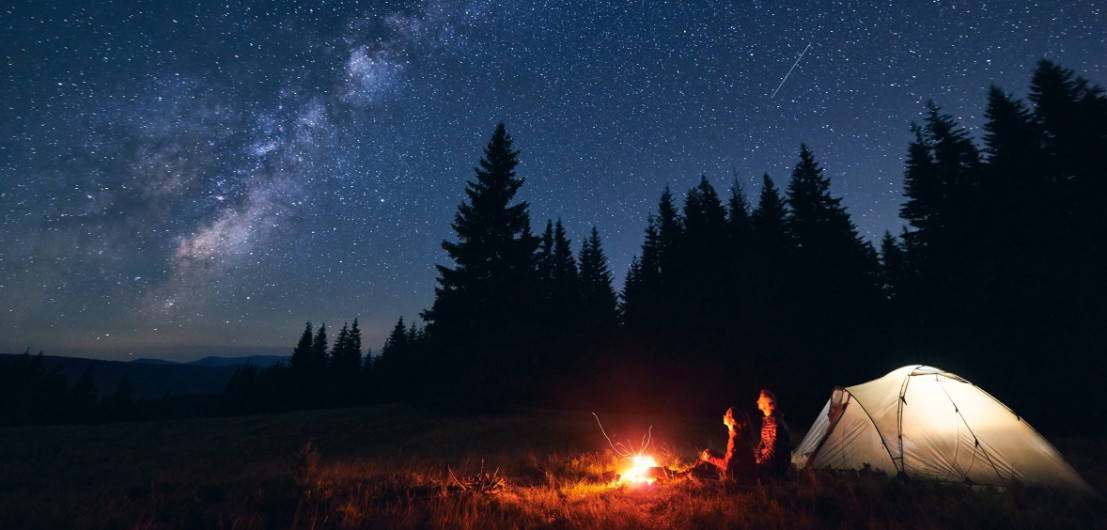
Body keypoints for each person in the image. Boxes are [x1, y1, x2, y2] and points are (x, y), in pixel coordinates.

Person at [754, 389, 791, 480]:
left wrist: (760, 462)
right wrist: (757, 455)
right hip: (767, 460)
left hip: (776, 465)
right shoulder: (768, 421)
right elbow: (763, 440)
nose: (757, 401)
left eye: (760, 400)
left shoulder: (776, 423)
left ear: (767, 405)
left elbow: (774, 450)